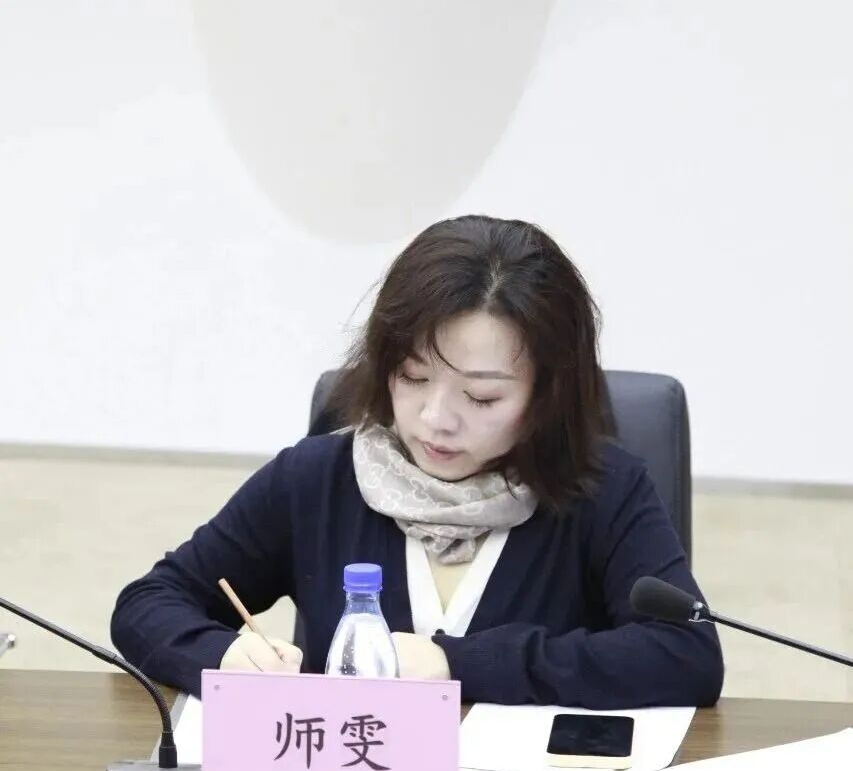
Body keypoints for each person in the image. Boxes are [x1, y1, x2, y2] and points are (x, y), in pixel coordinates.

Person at [111, 215, 724, 706]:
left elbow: (686, 656)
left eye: (481, 397)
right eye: (412, 377)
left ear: (549, 394)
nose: (435, 419)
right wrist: (222, 656)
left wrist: (459, 664)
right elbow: (148, 604)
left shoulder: (603, 491)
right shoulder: (317, 480)